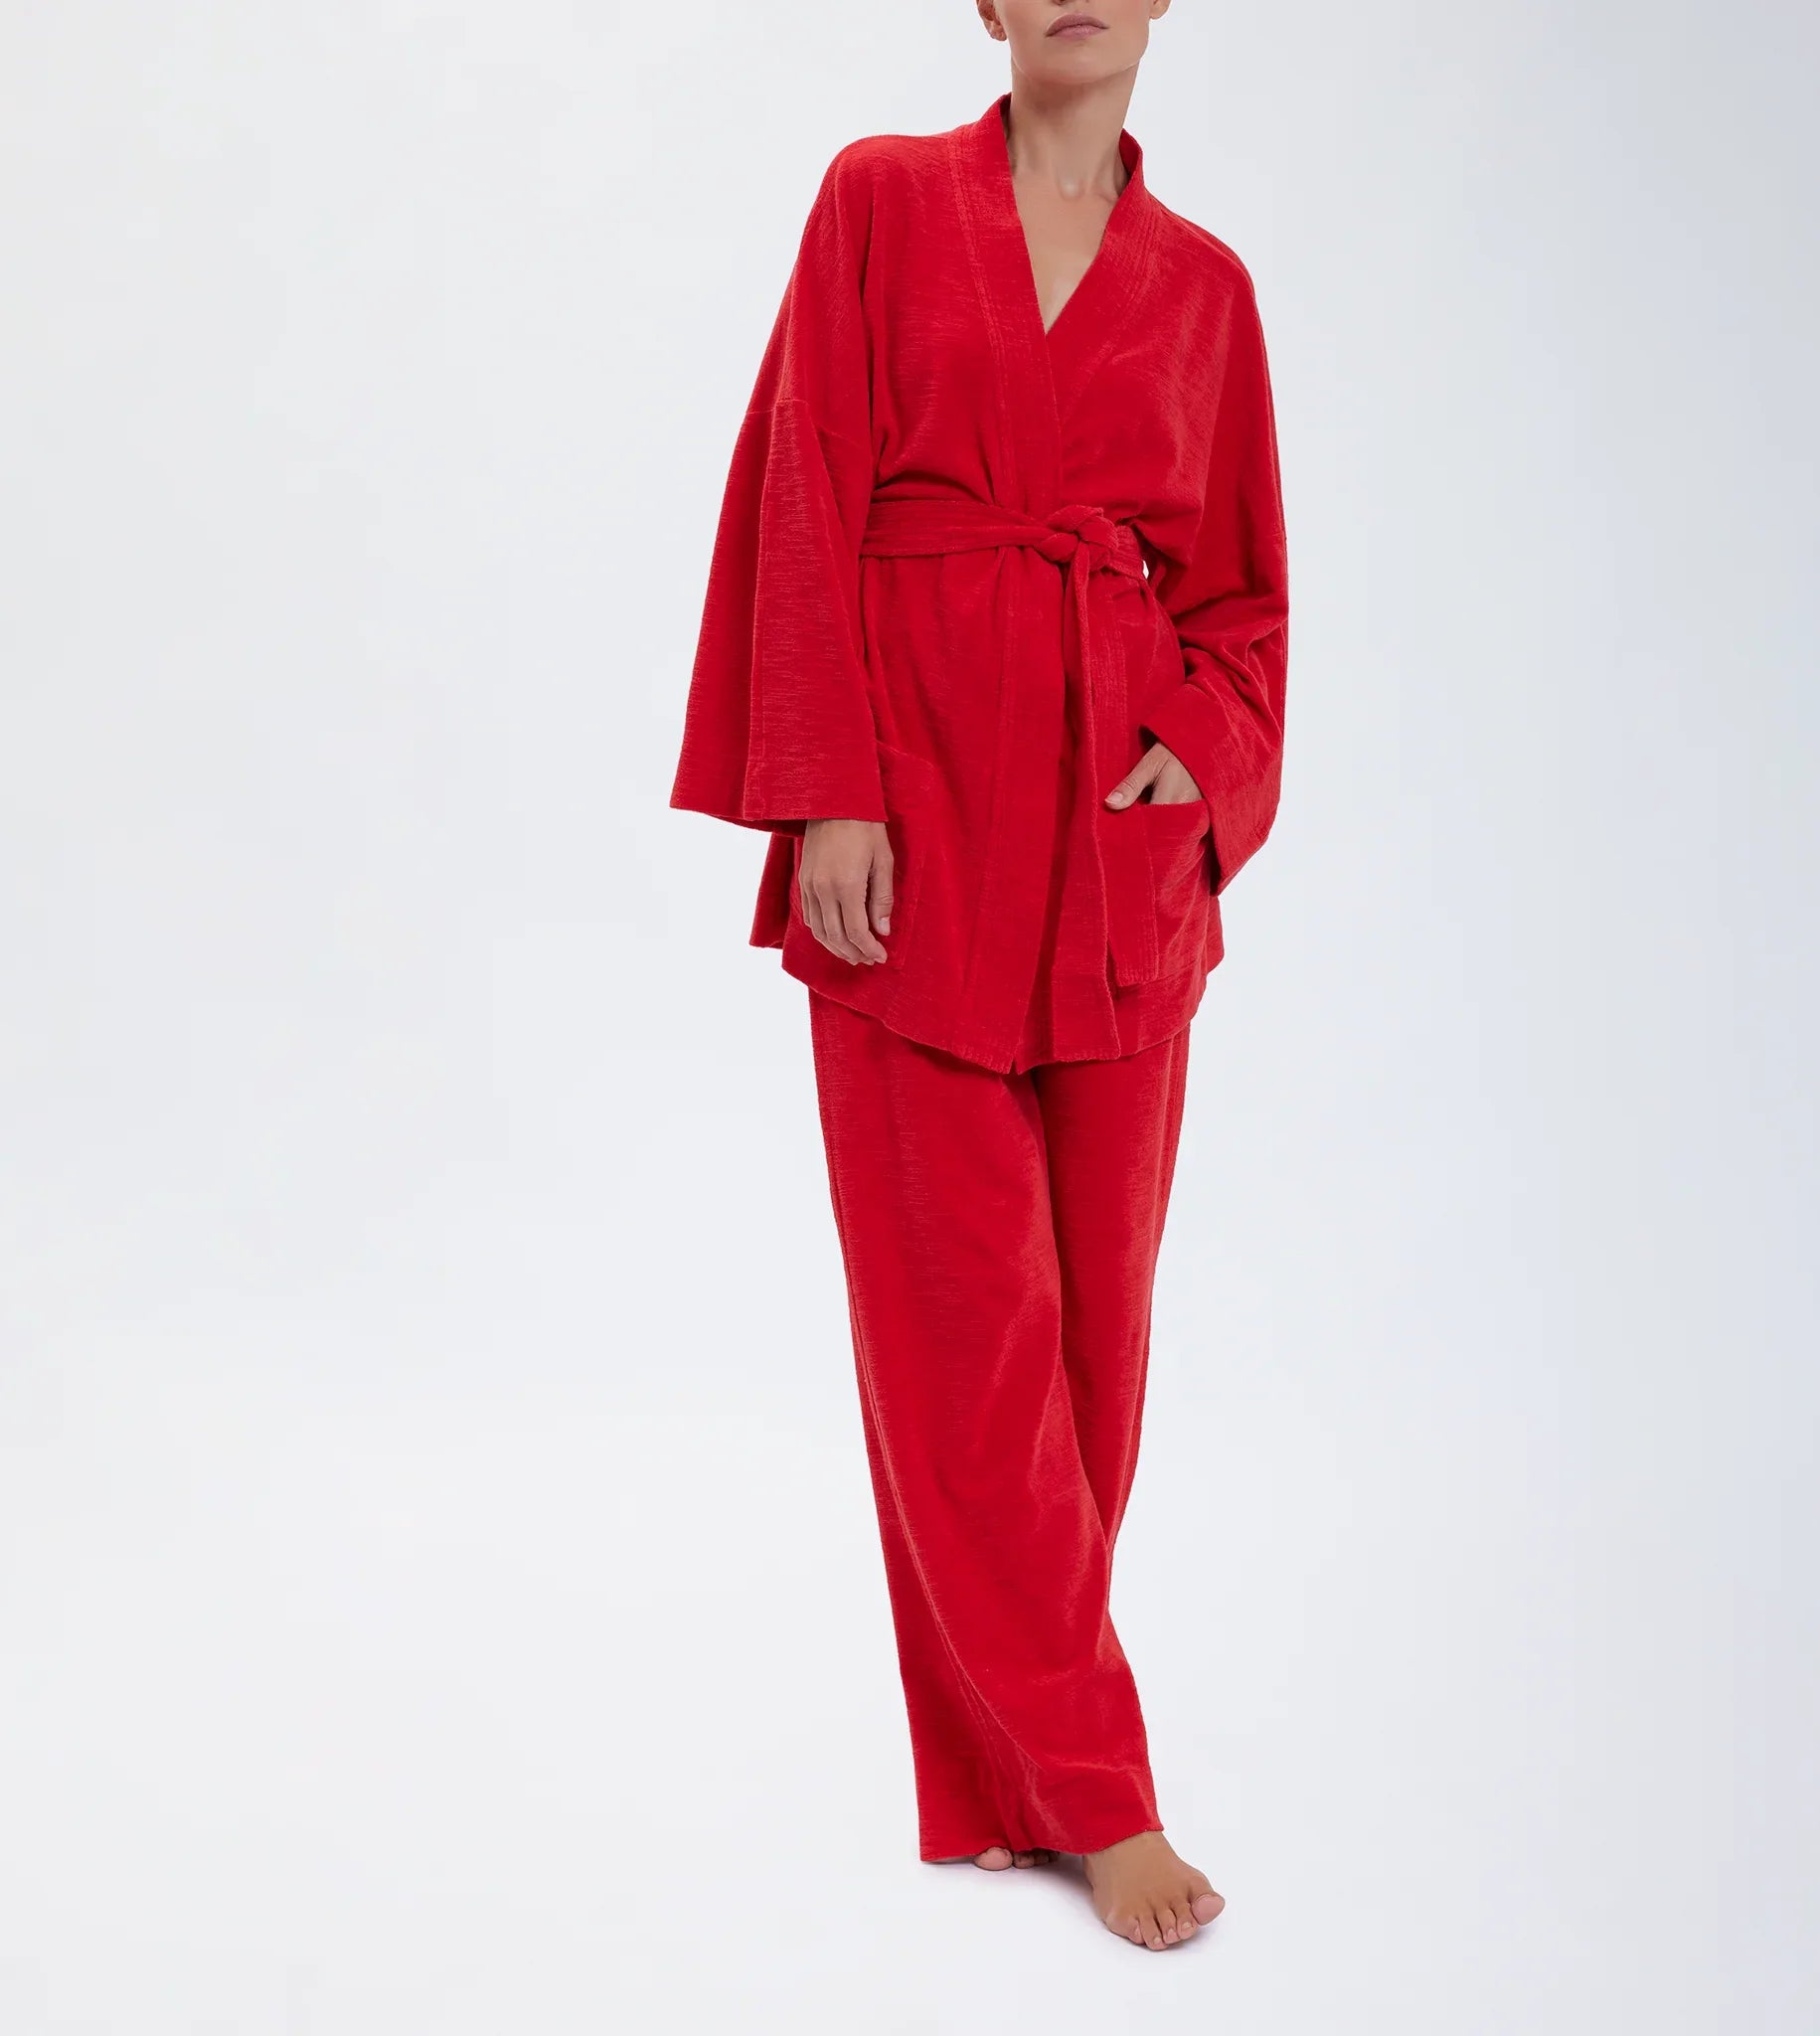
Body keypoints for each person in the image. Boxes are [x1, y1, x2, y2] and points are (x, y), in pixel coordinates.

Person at [670, 0, 1287, 1952]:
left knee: (1093, 1352)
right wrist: (826, 790)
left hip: (1117, 858)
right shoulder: (876, 203)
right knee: (966, 1348)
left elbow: (1245, 599)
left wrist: (1199, 756)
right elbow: (802, 490)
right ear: (990, 4)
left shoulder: (1208, 294)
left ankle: (1011, 1761)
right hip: (915, 831)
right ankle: (1098, 1791)